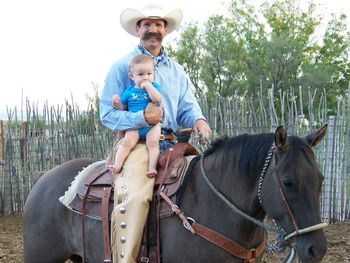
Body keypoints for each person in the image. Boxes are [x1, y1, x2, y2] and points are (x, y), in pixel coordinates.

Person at [100, 4, 212, 263]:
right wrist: (141, 117)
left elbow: (187, 106)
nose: (153, 30)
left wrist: (199, 121)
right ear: (138, 29)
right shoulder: (122, 67)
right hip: (137, 141)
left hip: (173, 142)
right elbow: (107, 113)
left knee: (207, 186)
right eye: (146, 24)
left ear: (166, 29)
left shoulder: (177, 70)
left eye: (158, 24)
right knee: (138, 197)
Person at [108, 54, 162, 177]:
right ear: (132, 76)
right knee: (127, 143)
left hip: (152, 125)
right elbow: (124, 107)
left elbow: (157, 98)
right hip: (135, 126)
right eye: (141, 74)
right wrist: (117, 104)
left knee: (153, 143)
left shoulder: (154, 87)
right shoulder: (129, 92)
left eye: (149, 74)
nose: (146, 77)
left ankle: (152, 168)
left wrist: (148, 87)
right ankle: (117, 164)